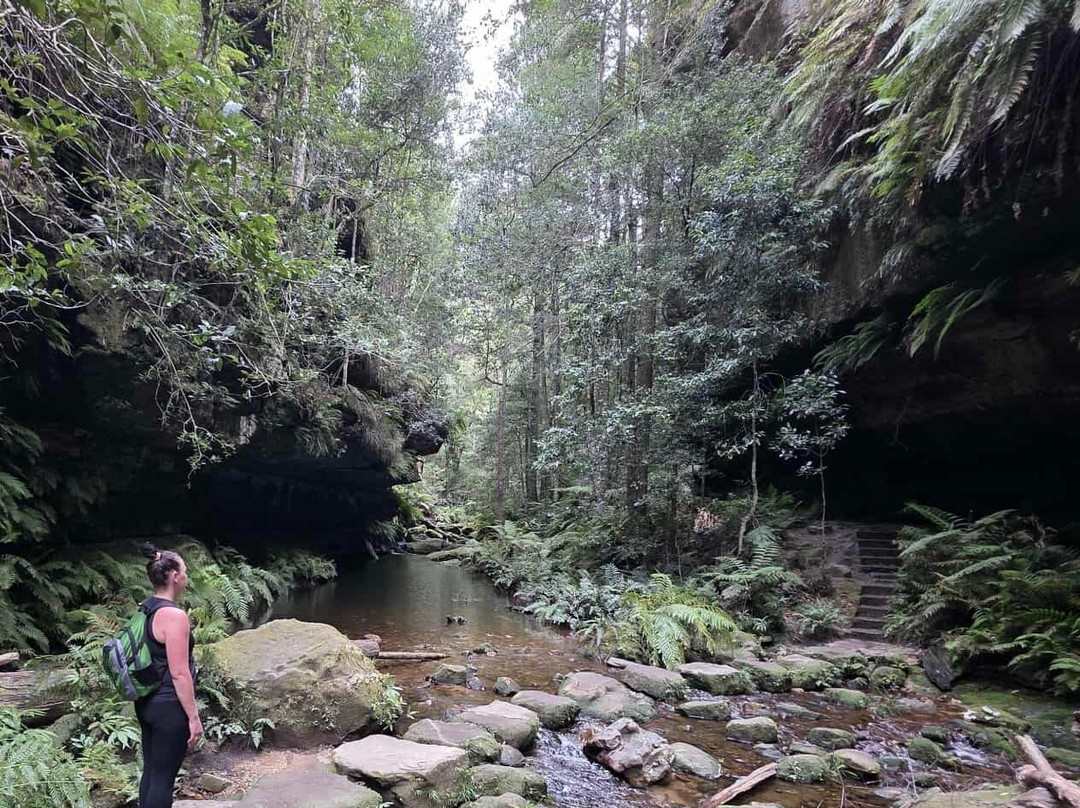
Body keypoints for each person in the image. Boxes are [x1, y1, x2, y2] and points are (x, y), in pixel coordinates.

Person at [136, 542, 202, 808]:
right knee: (163, 779)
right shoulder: (174, 616)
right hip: (168, 706)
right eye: (185, 572)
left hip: (146, 701)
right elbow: (179, 673)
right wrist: (193, 717)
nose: (187, 577)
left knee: (152, 772)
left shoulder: (145, 608)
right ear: (175, 576)